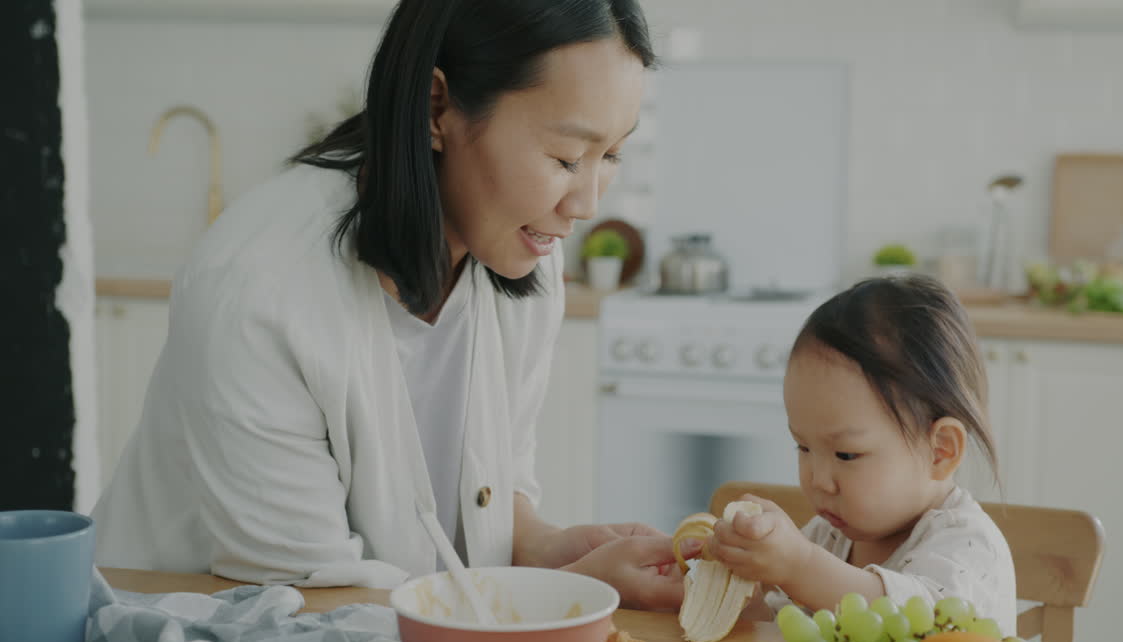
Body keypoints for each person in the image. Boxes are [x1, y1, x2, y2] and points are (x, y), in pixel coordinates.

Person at [92, 0, 689, 610]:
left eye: (611, 155)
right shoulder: (257, 284)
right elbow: (304, 601)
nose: (586, 204)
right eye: (566, 158)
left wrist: (553, 554)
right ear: (439, 108)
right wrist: (550, 600)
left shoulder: (525, 252)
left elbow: (495, 491)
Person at [702, 275, 1017, 635]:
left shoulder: (969, 549)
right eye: (803, 447)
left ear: (940, 451)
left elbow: (910, 626)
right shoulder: (830, 535)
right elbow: (795, 636)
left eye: (846, 455)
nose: (818, 480)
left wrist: (799, 566)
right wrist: (745, 596)